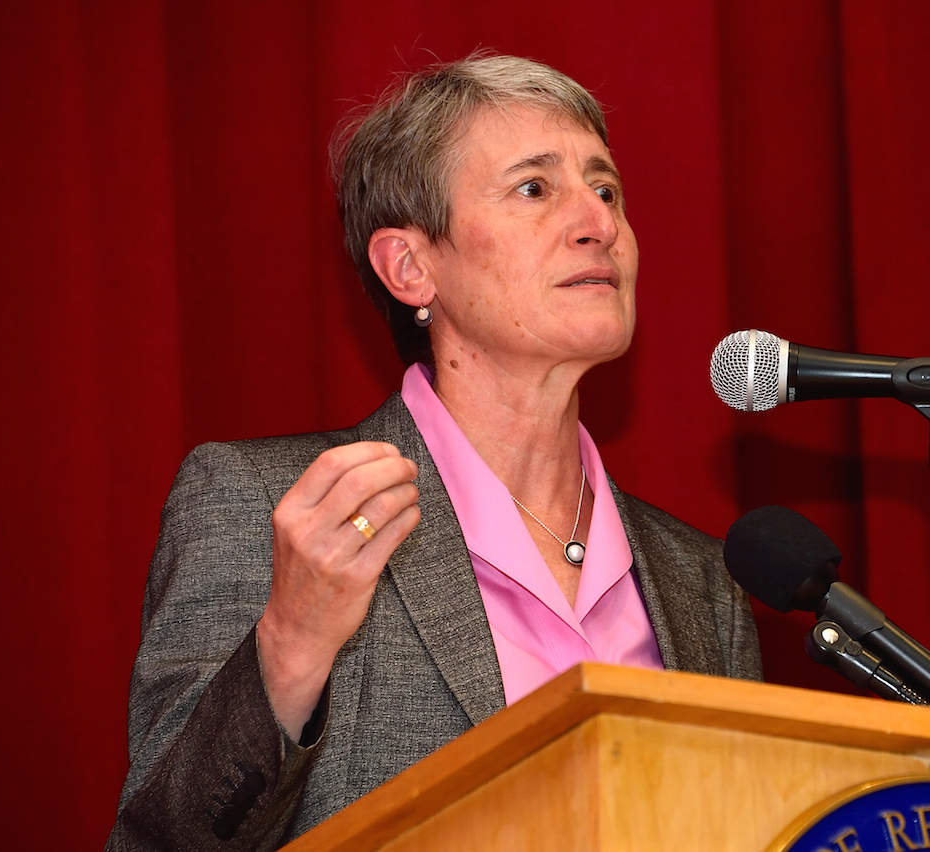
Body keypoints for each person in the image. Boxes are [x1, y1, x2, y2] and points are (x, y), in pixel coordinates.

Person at [106, 54, 761, 851]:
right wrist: (290, 644)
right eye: (535, 188)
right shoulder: (264, 505)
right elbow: (162, 841)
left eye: (607, 188)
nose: (600, 223)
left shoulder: (703, 578)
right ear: (411, 267)